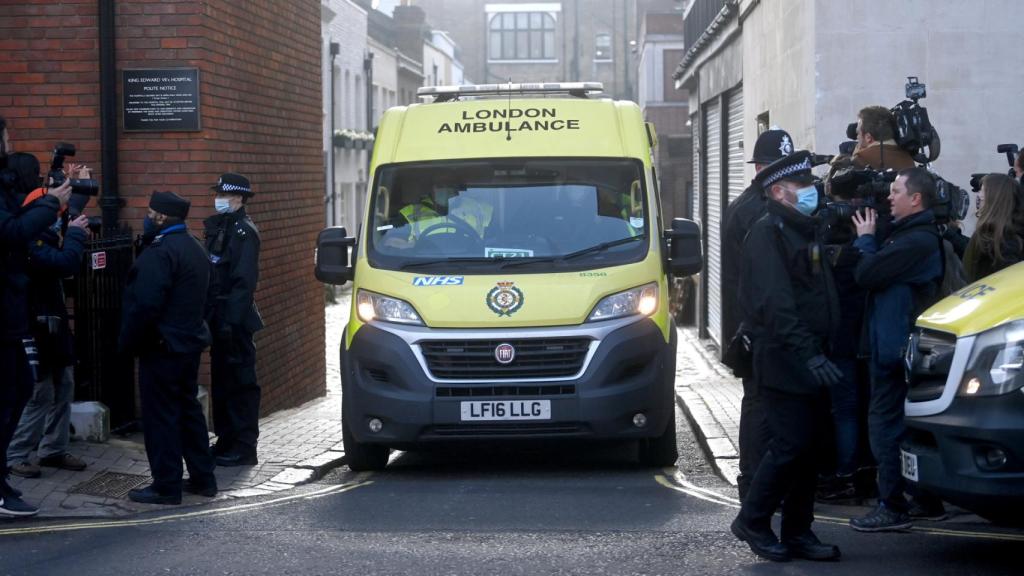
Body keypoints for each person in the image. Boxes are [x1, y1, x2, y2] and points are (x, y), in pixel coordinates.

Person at [730, 151, 843, 563]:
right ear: (779, 192)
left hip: (811, 356)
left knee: (808, 448)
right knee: (789, 445)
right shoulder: (768, 233)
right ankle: (753, 520)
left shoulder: (801, 228)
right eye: (802, 186)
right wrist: (808, 354)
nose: (811, 191)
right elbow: (776, 306)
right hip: (784, 358)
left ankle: (799, 530)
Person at [849, 167, 944, 531]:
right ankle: (923, 499)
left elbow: (866, 274)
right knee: (906, 428)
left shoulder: (915, 241)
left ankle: (892, 506)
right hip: (892, 347)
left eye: (896, 191)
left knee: (885, 427)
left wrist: (866, 239)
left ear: (916, 198)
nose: (889, 197)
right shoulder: (908, 235)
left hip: (893, 352)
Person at [120, 191, 217, 505]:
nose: (146, 217)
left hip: (161, 348)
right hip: (188, 345)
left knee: (161, 418)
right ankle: (204, 479)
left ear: (160, 217)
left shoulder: (159, 253)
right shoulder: (195, 249)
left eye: (150, 213)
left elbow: (145, 305)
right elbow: (209, 300)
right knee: (189, 413)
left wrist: (129, 342)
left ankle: (166, 485)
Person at [0, 116, 72, 517]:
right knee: (18, 391)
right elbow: (12, 231)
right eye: (5, 136)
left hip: (12, 308)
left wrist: (54, 200)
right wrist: (50, 203)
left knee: (21, 390)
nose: (9, 143)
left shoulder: (8, 186)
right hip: (9, 309)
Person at [5, 153, 90, 479]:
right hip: (33, 322)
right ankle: (16, 454)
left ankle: (53, 449)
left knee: (64, 384)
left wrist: (77, 192)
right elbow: (63, 262)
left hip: (53, 320)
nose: (57, 217)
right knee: (39, 392)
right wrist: (76, 236)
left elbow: (67, 219)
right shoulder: (28, 239)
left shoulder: (45, 229)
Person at [721, 128, 794, 502]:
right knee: (759, 405)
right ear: (763, 169)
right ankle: (752, 478)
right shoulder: (753, 211)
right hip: (757, 326)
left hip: (761, 324)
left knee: (768, 406)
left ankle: (760, 479)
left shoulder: (761, 206)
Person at [204, 173, 264, 467]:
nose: (219, 200)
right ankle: (226, 440)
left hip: (235, 320)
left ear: (239, 198)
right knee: (222, 383)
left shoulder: (244, 231)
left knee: (240, 383)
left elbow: (243, 282)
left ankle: (243, 446)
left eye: (224, 196)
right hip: (219, 317)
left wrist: (230, 321)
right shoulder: (223, 227)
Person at [963, 173, 1023, 282]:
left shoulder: (1006, 241)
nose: (979, 195)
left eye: (982, 190)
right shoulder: (991, 233)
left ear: (994, 198)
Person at [851, 106, 916, 171]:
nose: (857, 137)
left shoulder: (862, 158)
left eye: (858, 133)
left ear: (868, 137)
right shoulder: (909, 159)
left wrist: (855, 154)